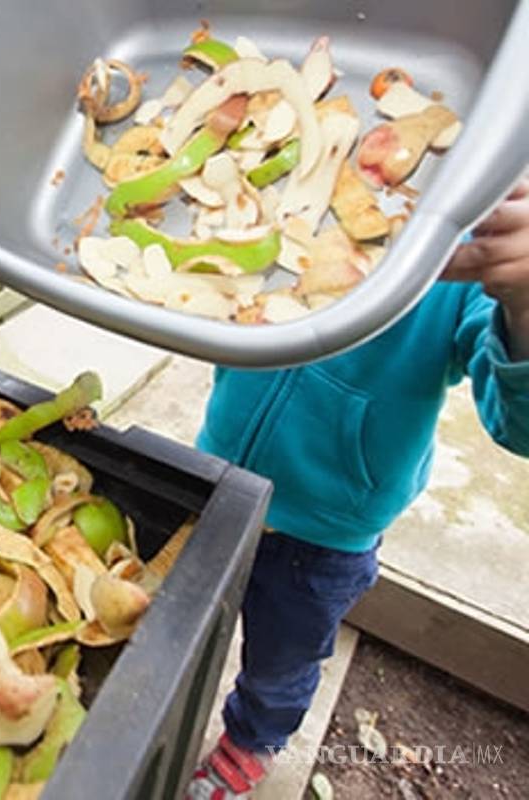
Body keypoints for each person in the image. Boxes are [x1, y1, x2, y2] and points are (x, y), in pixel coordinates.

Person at [185, 176, 529, 800]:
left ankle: (253, 740)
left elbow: (520, 425)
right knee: (182, 618)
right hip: (217, 477)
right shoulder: (302, 172)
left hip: (323, 538)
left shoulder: (471, 234)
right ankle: (169, 706)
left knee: (281, 662)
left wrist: (525, 304)